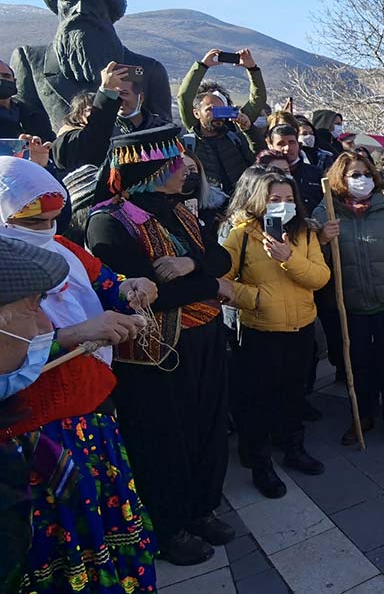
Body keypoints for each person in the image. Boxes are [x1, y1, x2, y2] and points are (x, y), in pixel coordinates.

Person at [0, 161, 162, 588]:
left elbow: (108, 281)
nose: (45, 231)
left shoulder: (64, 249)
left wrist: (132, 288)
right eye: (33, 221)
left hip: (92, 420)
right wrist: (74, 334)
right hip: (34, 438)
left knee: (106, 525)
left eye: (53, 220)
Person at [85, 125, 235, 565]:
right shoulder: (108, 222)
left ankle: (201, 508)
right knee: (163, 438)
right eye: (174, 162)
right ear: (149, 170)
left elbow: (221, 256)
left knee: (207, 427)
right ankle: (168, 527)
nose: (186, 168)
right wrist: (214, 285)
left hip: (204, 336)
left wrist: (192, 264)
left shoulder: (180, 209)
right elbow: (146, 293)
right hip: (157, 352)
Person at [222, 171, 330, 498]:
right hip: (260, 332)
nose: (282, 206)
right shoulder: (240, 236)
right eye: (274, 200)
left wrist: (288, 259)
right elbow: (221, 283)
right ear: (258, 201)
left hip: (300, 328)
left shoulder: (304, 233)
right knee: (259, 401)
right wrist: (255, 299)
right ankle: (261, 463)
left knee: (294, 394)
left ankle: (294, 448)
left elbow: (320, 277)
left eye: (287, 199)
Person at [312, 152, 384, 446]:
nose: (361, 180)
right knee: (357, 364)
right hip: (349, 307)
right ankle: (362, 416)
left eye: (365, 174)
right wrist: (322, 239)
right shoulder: (325, 213)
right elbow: (313, 263)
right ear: (339, 180)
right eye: (353, 175)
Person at [10, 0, 170, 132]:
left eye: (92, 1)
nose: (80, 10)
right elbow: (18, 125)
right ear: (57, 5)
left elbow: (164, 131)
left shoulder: (149, 70)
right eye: (69, 0)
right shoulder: (29, 61)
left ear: (107, 8)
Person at [188, 88, 256, 193]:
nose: (217, 115)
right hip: (207, 205)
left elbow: (259, 161)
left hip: (239, 202)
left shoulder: (236, 139)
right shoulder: (188, 145)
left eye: (221, 110)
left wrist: (249, 130)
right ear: (197, 113)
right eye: (210, 109)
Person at [263, 123, 324, 211]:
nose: (287, 148)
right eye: (281, 144)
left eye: (291, 142)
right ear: (271, 146)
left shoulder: (316, 173)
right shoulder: (263, 174)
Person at [0, 59, 54, 141]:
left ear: (14, 81)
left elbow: (51, 144)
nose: (1, 81)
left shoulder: (34, 115)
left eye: (6, 76)